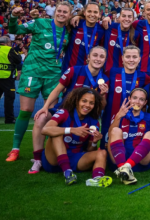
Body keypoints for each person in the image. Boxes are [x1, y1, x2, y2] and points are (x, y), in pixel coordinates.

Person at [6, 2, 72, 162]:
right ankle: (15, 149)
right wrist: (14, 16)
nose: (62, 14)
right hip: (32, 72)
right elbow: (14, 30)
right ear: (55, 12)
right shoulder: (40, 22)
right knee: (26, 110)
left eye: (65, 12)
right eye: (60, 11)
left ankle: (45, 152)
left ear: (69, 15)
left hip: (54, 75)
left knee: (50, 113)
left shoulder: (69, 31)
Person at [29, 46, 109, 174]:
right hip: (64, 111)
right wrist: (45, 107)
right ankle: (38, 160)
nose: (98, 59)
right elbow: (57, 90)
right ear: (88, 57)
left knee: (81, 138)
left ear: (105, 60)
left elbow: (101, 106)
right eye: (95, 55)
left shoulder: (104, 79)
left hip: (84, 115)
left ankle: (75, 158)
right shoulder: (74, 70)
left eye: (101, 56)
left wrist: (104, 94)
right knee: (41, 118)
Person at [40, 88, 112, 187]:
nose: (87, 105)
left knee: (102, 152)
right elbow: (45, 129)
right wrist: (71, 130)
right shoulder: (64, 112)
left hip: (75, 158)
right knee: (56, 132)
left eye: (91, 103)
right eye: (84, 101)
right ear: (76, 100)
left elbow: (90, 150)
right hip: (54, 160)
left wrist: (94, 142)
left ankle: (97, 179)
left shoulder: (94, 122)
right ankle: (68, 172)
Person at [103, 45, 150, 148]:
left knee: (128, 149)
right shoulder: (112, 72)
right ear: (122, 58)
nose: (131, 60)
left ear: (139, 59)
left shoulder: (144, 77)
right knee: (107, 151)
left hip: (132, 120)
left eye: (134, 57)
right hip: (111, 117)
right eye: (128, 57)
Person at [107, 88, 150, 185]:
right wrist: (118, 116)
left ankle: (126, 167)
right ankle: (124, 168)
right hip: (119, 159)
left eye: (141, 99)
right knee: (115, 130)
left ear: (145, 102)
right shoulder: (120, 115)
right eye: (134, 98)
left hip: (141, 161)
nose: (137, 102)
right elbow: (110, 135)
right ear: (129, 98)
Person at [63, 2, 105, 72]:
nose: (92, 14)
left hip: (88, 72)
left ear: (99, 14)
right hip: (69, 70)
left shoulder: (102, 30)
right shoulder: (75, 23)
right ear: (84, 13)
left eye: (95, 12)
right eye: (89, 11)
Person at [0, 36, 21, 124]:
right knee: (9, 99)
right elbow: (18, 60)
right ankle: (9, 119)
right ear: (7, 43)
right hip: (7, 78)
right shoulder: (9, 50)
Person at [103, 8, 135, 73]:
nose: (126, 19)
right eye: (123, 16)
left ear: (133, 19)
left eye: (129, 17)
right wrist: (79, 16)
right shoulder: (109, 26)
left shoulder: (136, 34)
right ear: (119, 17)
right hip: (107, 72)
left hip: (125, 73)